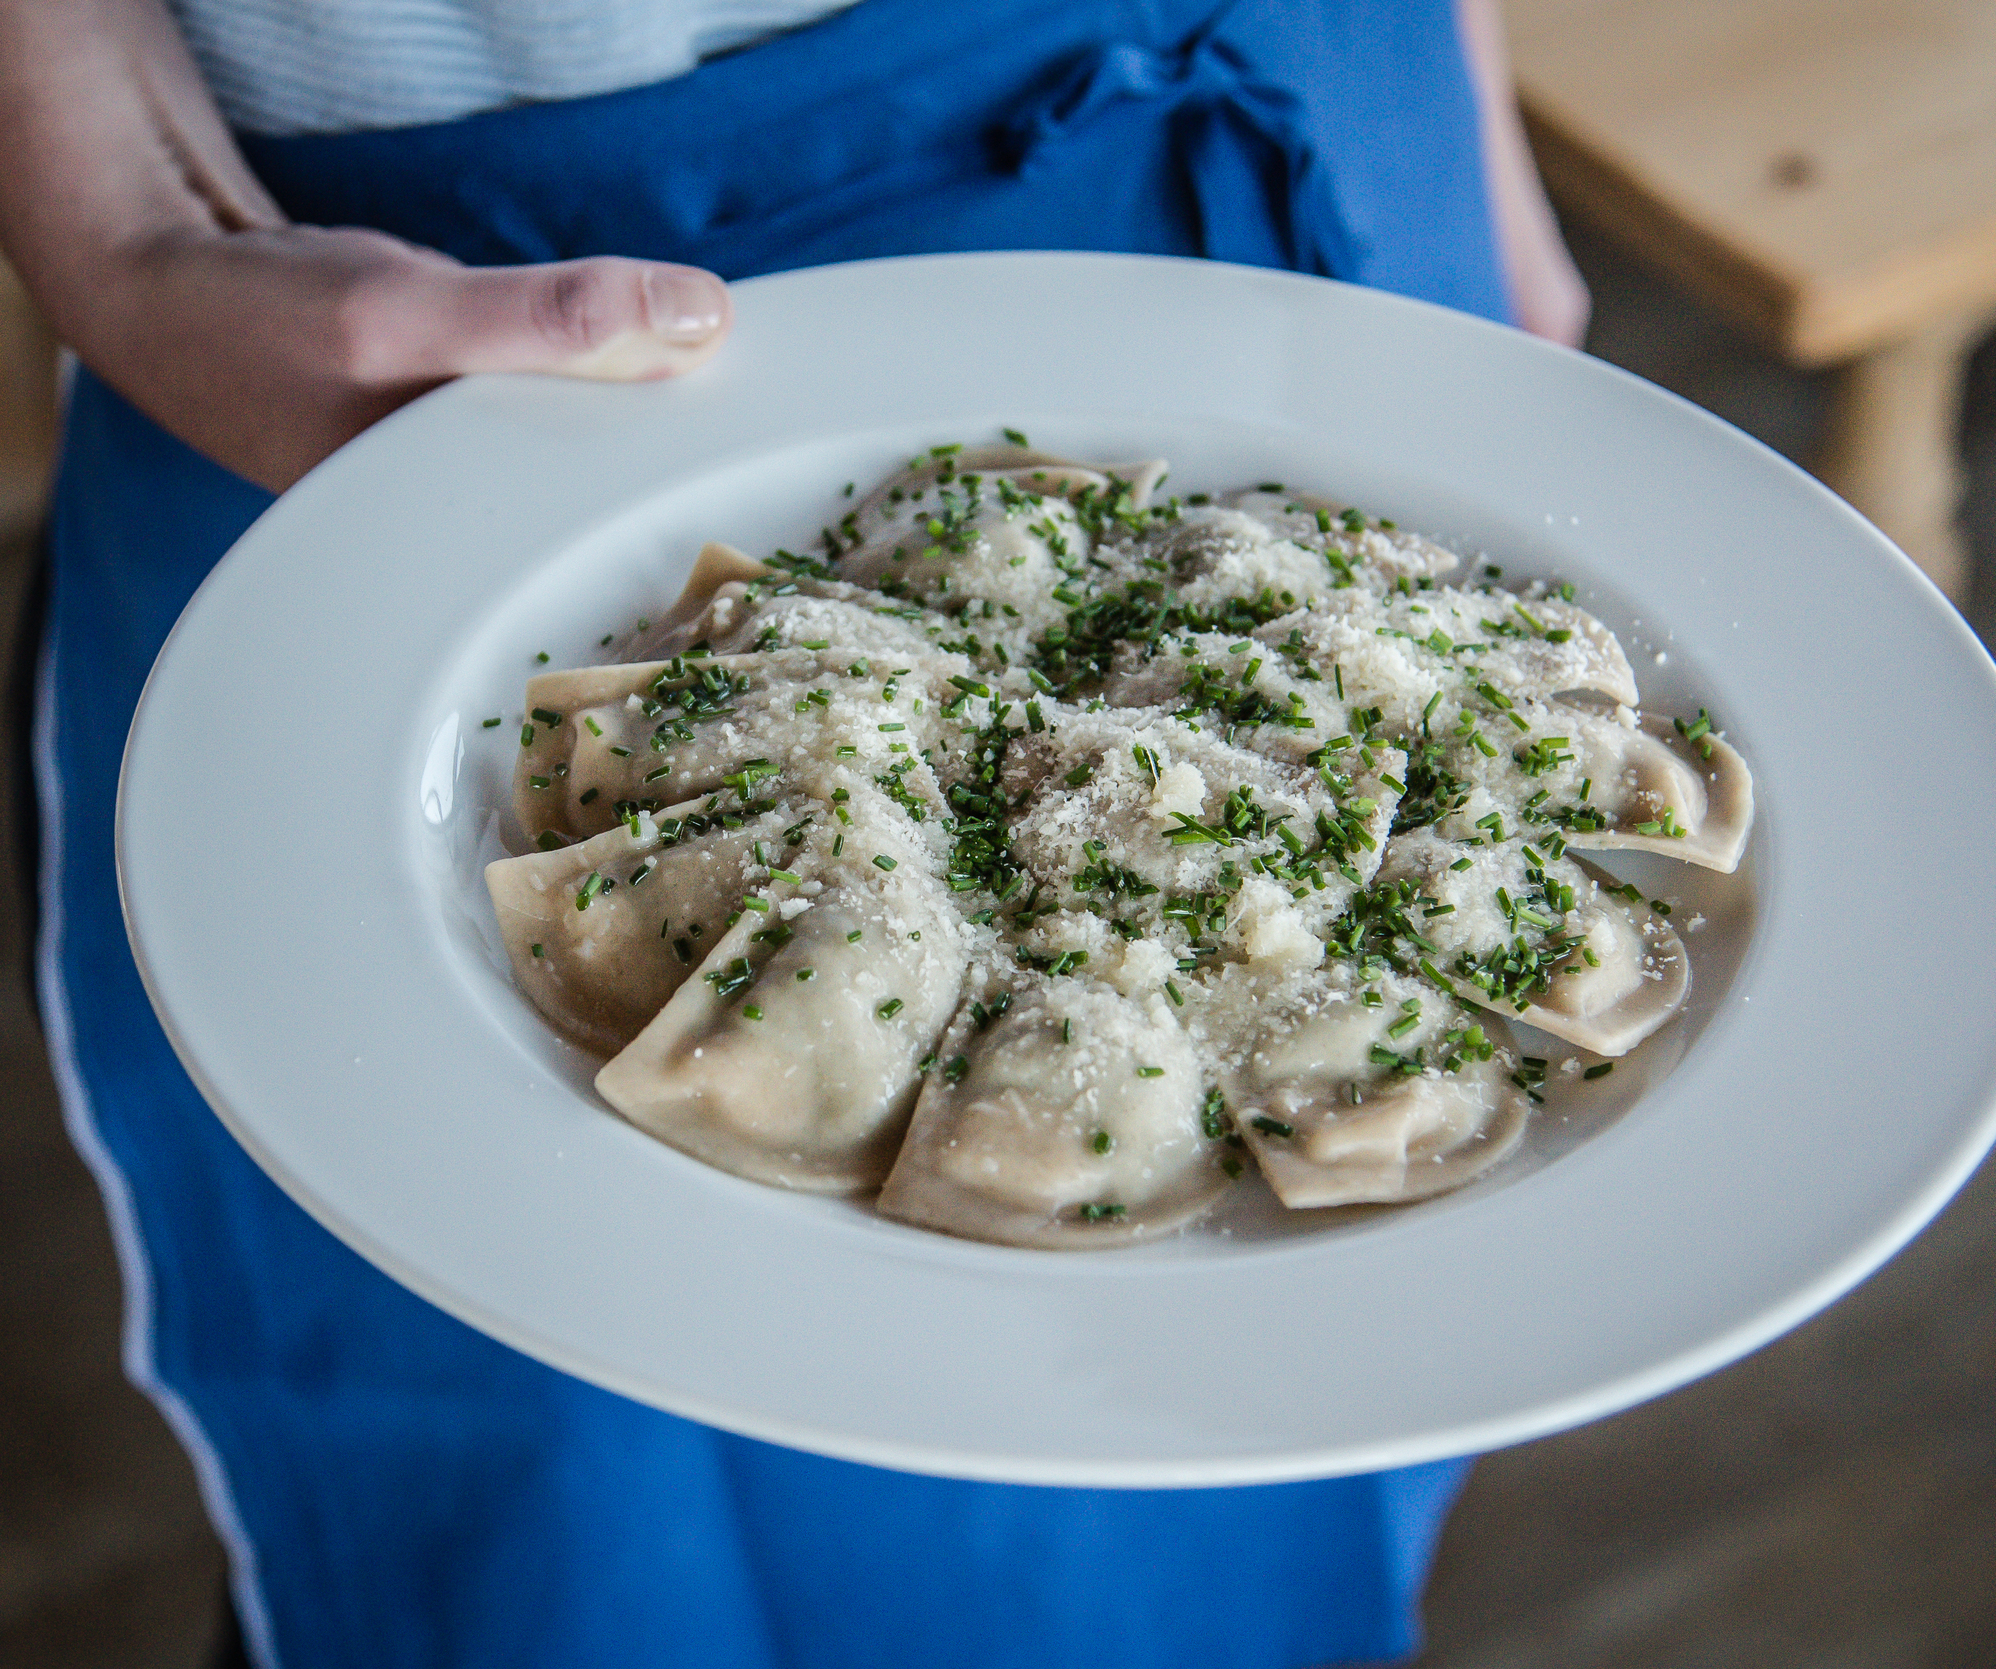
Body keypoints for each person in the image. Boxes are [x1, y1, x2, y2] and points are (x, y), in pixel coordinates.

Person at [0, 3, 1588, 1664]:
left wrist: (1463, 95)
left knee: (1247, 1428)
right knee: (559, 1501)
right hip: (399, 293)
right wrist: (121, 221)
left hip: (1298, 156)